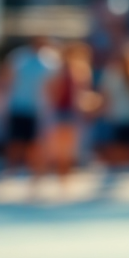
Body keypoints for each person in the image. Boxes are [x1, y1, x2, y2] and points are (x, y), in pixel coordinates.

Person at [2, 37, 59, 175]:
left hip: (39, 108)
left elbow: (55, 85)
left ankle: (33, 169)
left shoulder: (51, 60)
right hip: (18, 105)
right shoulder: (19, 57)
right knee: (16, 139)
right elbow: (7, 79)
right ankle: (12, 168)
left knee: (36, 141)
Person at [46, 43, 94, 186]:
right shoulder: (57, 70)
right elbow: (50, 90)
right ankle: (60, 175)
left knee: (71, 146)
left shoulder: (81, 70)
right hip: (59, 111)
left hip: (73, 112)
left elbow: (84, 92)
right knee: (58, 146)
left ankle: (66, 176)